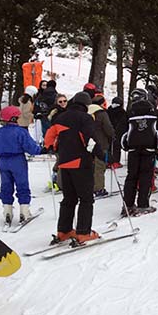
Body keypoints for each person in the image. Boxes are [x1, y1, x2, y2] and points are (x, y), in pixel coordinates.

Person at [44, 92, 105, 243]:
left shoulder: (61, 117)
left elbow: (49, 136)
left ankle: (64, 230)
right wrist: (101, 155)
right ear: (85, 105)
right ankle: (83, 232)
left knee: (69, 198)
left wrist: (51, 147)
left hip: (64, 162)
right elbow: (89, 139)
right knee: (86, 198)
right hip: (81, 162)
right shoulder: (85, 118)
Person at [0, 106, 42, 225]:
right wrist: (41, 150)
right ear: (13, 118)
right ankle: (24, 211)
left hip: (3, 161)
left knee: (6, 185)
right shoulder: (20, 131)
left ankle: (7, 210)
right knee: (22, 184)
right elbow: (31, 148)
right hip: (17, 160)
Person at [120, 89, 158, 214]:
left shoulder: (130, 112)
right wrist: (157, 147)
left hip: (133, 149)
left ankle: (128, 204)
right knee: (146, 176)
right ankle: (143, 204)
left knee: (131, 176)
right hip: (149, 148)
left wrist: (126, 146)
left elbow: (122, 131)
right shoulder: (153, 111)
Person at [88, 93, 115, 197]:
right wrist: (112, 135)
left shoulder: (87, 112)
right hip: (101, 143)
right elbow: (108, 128)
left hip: (88, 144)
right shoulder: (102, 113)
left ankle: (90, 186)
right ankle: (98, 188)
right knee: (100, 167)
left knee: (91, 166)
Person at [106, 96, 128, 169]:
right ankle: (115, 162)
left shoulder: (108, 110)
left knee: (109, 147)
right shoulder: (122, 112)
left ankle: (108, 161)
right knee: (116, 147)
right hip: (118, 132)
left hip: (108, 131)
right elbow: (124, 123)